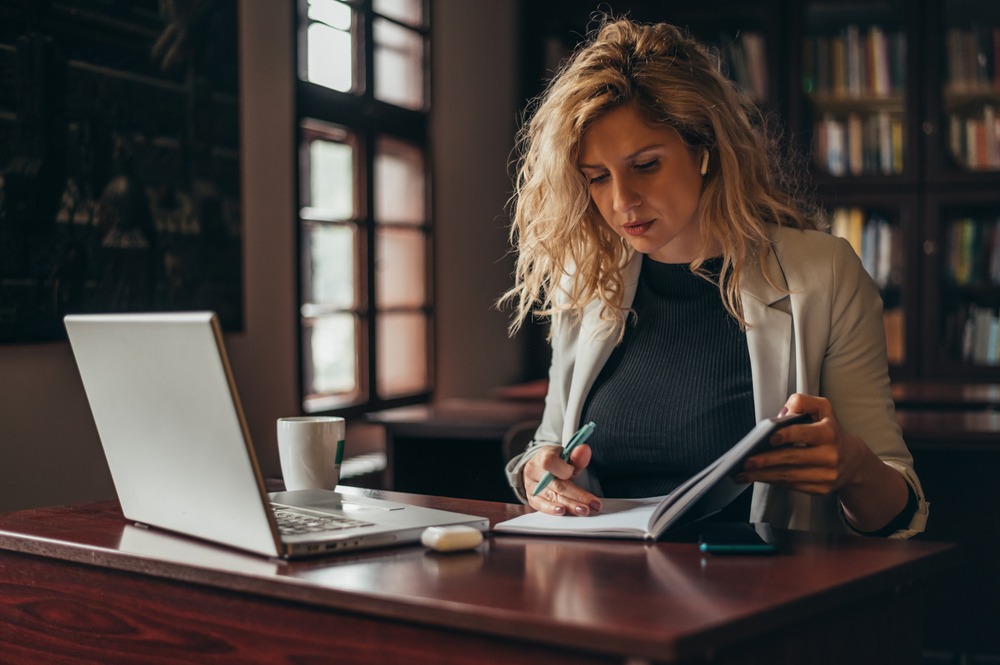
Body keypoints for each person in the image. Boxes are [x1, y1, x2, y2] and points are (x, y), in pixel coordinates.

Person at [500, 17, 927, 538]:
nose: (621, 201)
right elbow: (546, 446)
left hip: (754, 597)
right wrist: (535, 472)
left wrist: (855, 469)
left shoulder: (824, 274)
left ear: (703, 150)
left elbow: (901, 511)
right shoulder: (588, 278)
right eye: (597, 178)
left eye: (646, 165)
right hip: (598, 593)